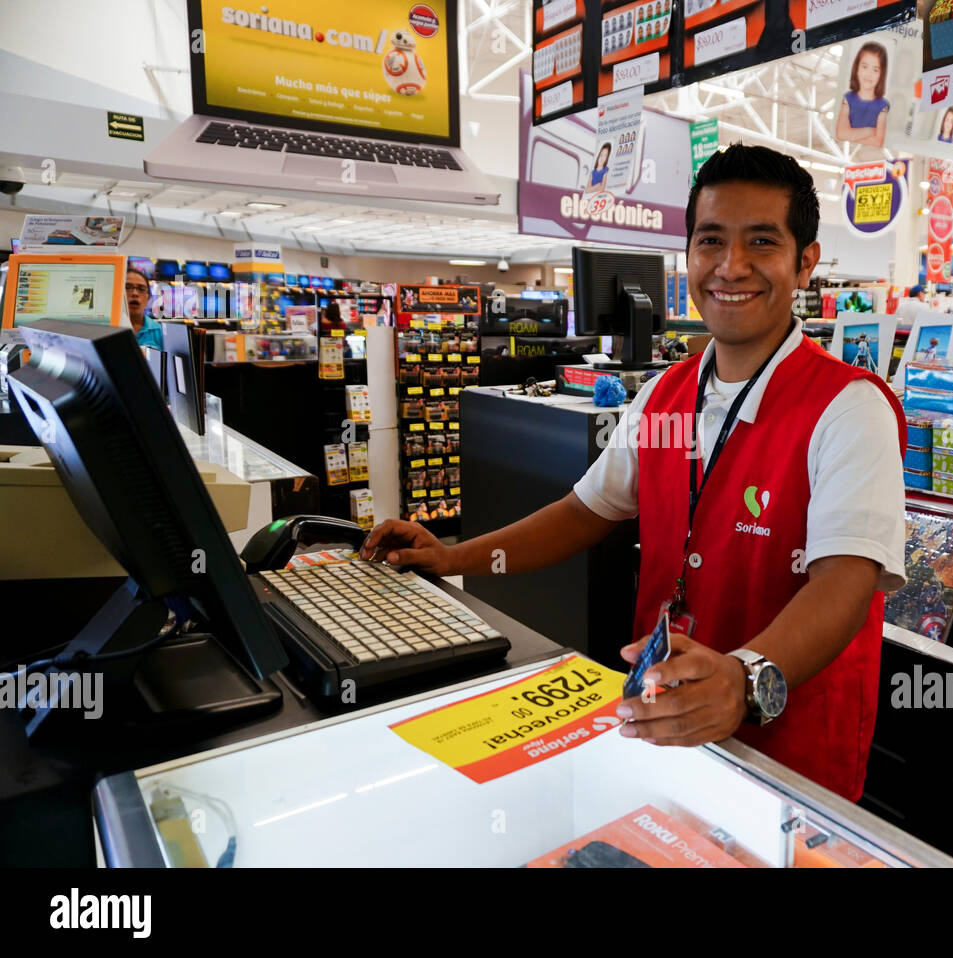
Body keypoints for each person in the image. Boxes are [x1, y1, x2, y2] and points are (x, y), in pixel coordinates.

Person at [361, 144, 907, 801]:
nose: (731, 266)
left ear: (805, 262)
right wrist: (454, 558)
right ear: (689, 256)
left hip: (788, 759)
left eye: (761, 241)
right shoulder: (665, 396)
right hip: (662, 726)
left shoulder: (849, 406)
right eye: (712, 241)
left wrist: (744, 676)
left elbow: (846, 580)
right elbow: (585, 511)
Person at [835, 41, 890, 148]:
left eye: (875, 70)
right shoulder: (848, 98)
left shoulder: (883, 106)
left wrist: (851, 133)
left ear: (881, 74)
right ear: (857, 68)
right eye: (865, 67)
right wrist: (871, 130)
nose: (869, 74)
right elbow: (841, 134)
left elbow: (878, 142)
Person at [123, 267, 163, 350]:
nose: (134, 293)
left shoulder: (160, 333)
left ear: (148, 297)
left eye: (141, 289)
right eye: (127, 287)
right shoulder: (108, 330)